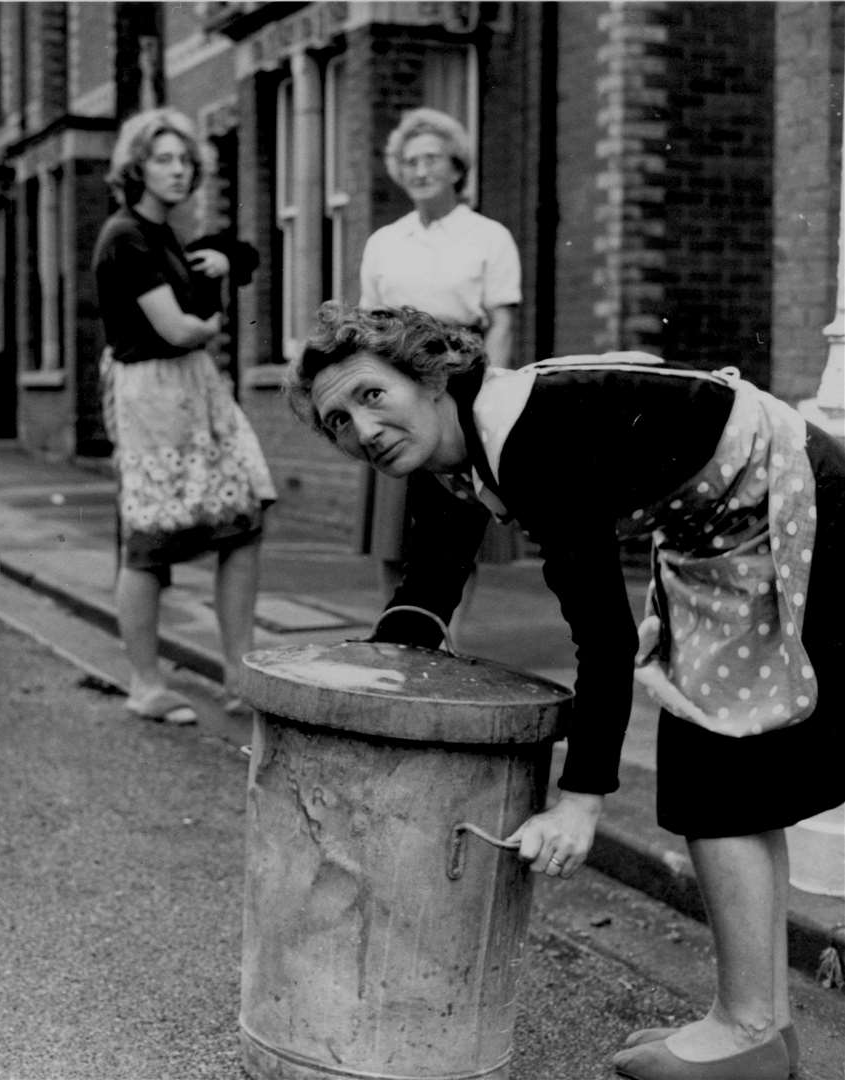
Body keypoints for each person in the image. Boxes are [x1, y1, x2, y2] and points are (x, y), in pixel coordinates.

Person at [285, 303, 844, 1080]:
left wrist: (582, 798)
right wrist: (372, 702)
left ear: (429, 377)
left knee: (715, 775)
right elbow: (430, 584)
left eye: (370, 396)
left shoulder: (525, 437)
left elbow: (602, 638)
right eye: (336, 421)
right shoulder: (457, 452)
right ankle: (762, 1026)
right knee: (716, 772)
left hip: (794, 502)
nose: (360, 429)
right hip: (720, 531)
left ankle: (747, 1026)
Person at [92, 107, 276, 725]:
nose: (178, 170)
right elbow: (176, 329)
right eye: (164, 158)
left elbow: (192, 308)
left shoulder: (163, 234)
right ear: (136, 166)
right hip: (154, 397)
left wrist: (219, 271)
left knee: (241, 520)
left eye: (185, 160)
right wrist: (213, 321)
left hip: (191, 393)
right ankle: (145, 684)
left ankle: (237, 673)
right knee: (149, 542)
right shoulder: (127, 236)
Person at [357, 108, 520, 599]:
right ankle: (394, 635)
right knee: (393, 531)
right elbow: (367, 325)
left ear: (456, 167)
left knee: (457, 525)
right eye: (410, 162)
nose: (421, 171)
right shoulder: (384, 242)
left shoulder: (489, 237)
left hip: (458, 380)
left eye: (432, 159)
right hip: (394, 381)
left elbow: (503, 321)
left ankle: (449, 647)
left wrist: (482, 395)